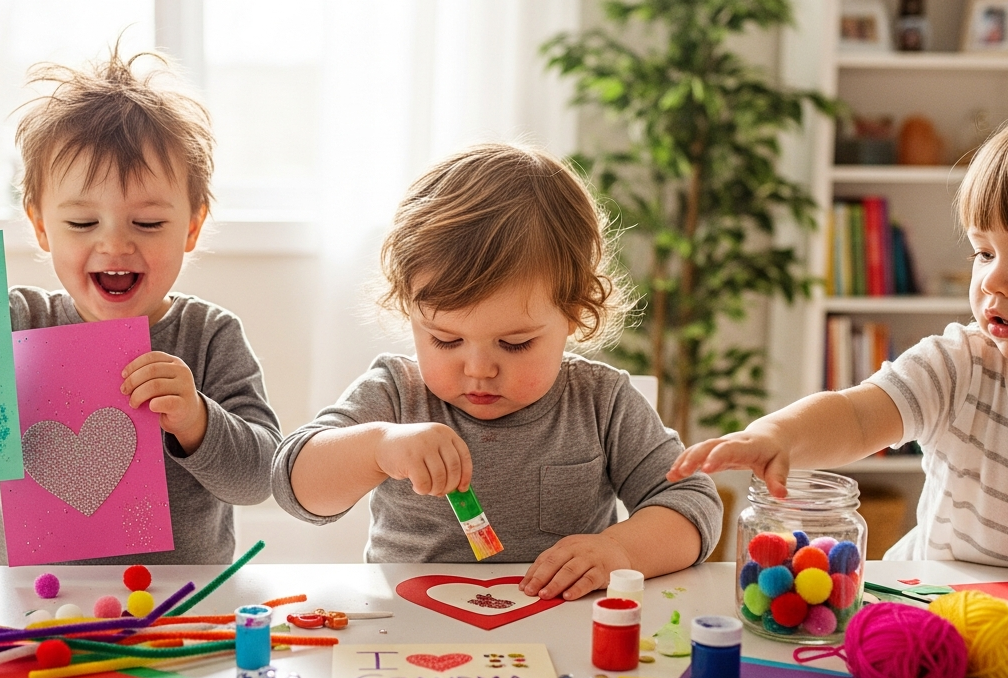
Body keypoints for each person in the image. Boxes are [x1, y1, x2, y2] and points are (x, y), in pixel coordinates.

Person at [0, 47, 280, 565]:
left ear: (192, 228)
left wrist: (197, 420)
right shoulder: (13, 321)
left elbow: (260, 477)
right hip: (34, 597)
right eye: (82, 223)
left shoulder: (210, 335)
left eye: (148, 223)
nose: (114, 244)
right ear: (41, 227)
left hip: (178, 601)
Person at [272, 144, 723, 601]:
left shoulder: (601, 402)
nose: (479, 369)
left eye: (515, 344)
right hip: (411, 630)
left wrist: (619, 550)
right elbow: (295, 486)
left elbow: (692, 503)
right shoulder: (396, 395)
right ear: (410, 310)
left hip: (560, 627)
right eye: (445, 340)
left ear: (574, 312)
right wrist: (377, 448)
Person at [669, 100, 1008, 580]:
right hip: (935, 598)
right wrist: (777, 436)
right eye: (982, 253)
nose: (992, 282)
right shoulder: (958, 365)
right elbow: (856, 416)